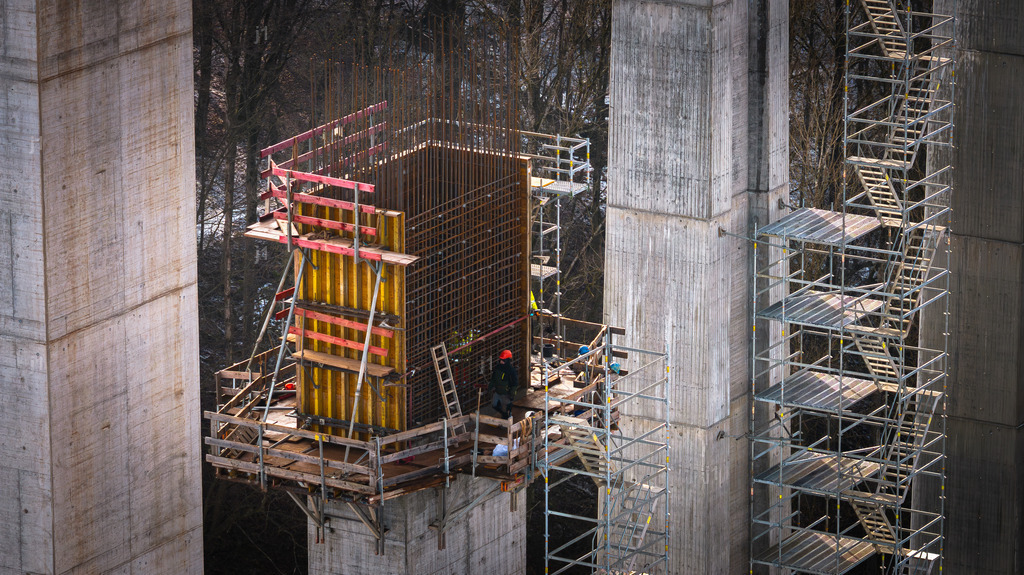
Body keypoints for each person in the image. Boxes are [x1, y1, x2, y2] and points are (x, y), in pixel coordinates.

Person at [489, 349, 518, 419]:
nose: (501, 362)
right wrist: (491, 386)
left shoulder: (511, 370)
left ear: (508, 361)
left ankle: (507, 418)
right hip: (498, 391)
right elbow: (493, 378)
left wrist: (512, 393)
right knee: (494, 405)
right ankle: (504, 414)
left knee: (507, 406)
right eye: (501, 360)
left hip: (506, 393)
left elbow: (514, 383)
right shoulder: (497, 368)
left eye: (503, 361)